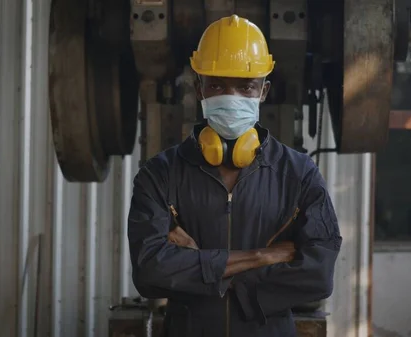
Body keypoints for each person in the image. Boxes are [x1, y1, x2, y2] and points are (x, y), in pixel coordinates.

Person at [128, 14, 342, 337]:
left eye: (246, 86)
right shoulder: (159, 175)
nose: (232, 97)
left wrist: (201, 268)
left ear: (264, 91)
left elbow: (319, 275)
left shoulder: (299, 175)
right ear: (199, 88)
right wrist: (262, 256)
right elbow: (149, 272)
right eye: (217, 84)